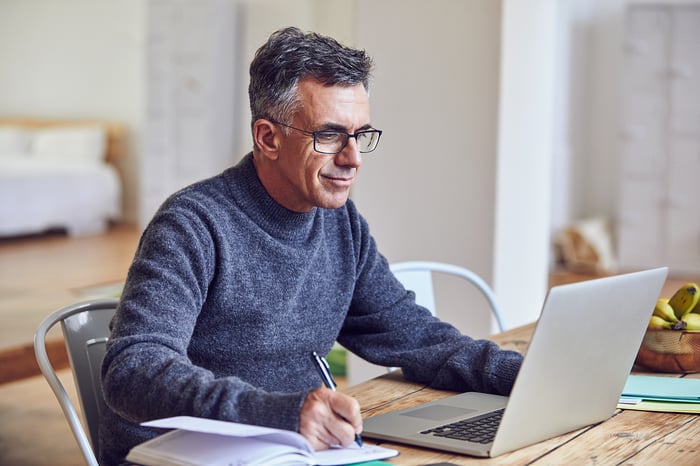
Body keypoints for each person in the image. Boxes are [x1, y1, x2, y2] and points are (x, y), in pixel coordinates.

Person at [100, 26, 523, 465]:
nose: (352, 158)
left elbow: (416, 337)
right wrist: (278, 413)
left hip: (294, 450)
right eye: (329, 135)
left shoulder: (340, 223)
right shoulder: (192, 225)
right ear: (268, 137)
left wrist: (529, 376)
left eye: (360, 135)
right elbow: (132, 370)